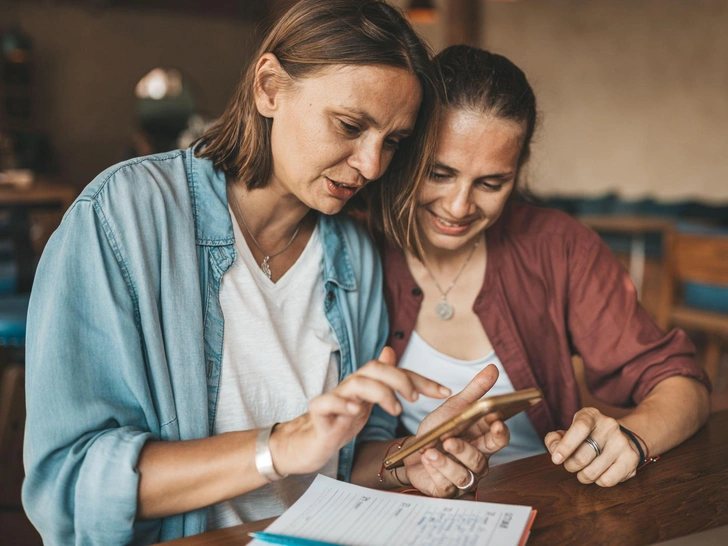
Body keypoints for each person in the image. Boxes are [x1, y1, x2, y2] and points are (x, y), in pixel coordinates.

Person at [22, 4, 507, 545]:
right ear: (269, 87)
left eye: (393, 141)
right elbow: (69, 482)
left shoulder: (355, 254)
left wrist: (409, 458)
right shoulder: (124, 217)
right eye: (350, 125)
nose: (372, 165)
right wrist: (275, 447)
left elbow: (343, 460)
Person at [380, 45, 711, 488]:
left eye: (491, 183)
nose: (459, 206)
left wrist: (632, 438)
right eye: (439, 174)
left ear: (519, 171)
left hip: (543, 496)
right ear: (407, 153)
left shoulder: (558, 246)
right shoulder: (360, 245)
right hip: (407, 503)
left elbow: (681, 383)